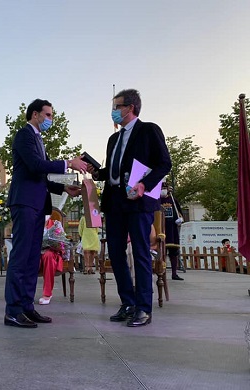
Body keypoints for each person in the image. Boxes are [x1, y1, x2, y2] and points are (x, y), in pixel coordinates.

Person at [88, 89, 171, 327]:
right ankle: (128, 303)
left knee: (140, 252)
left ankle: (144, 308)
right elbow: (112, 171)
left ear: (130, 108)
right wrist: (97, 172)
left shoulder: (149, 130)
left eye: (117, 107)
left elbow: (164, 162)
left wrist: (145, 184)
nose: (113, 112)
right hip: (114, 201)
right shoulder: (113, 139)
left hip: (138, 200)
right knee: (115, 252)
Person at [4, 98, 86, 328]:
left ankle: (27, 307)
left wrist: (63, 188)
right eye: (48, 115)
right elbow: (35, 166)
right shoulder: (24, 135)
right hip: (24, 203)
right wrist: (68, 162)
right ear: (35, 115)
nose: (51, 119)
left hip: (38, 204)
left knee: (32, 258)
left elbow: (42, 176)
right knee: (21, 257)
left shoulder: (38, 140)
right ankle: (12, 311)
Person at [38, 218, 69, 305]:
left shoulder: (56, 224)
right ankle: (27, 294)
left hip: (52, 252)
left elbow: (62, 242)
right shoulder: (33, 223)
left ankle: (47, 294)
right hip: (36, 251)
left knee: (48, 255)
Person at [160, 182, 184, 280]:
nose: (164, 190)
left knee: (174, 252)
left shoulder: (173, 200)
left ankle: (174, 273)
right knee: (161, 253)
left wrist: (180, 220)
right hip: (161, 229)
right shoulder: (157, 200)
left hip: (172, 229)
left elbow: (179, 213)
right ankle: (161, 272)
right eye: (162, 188)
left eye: (165, 188)